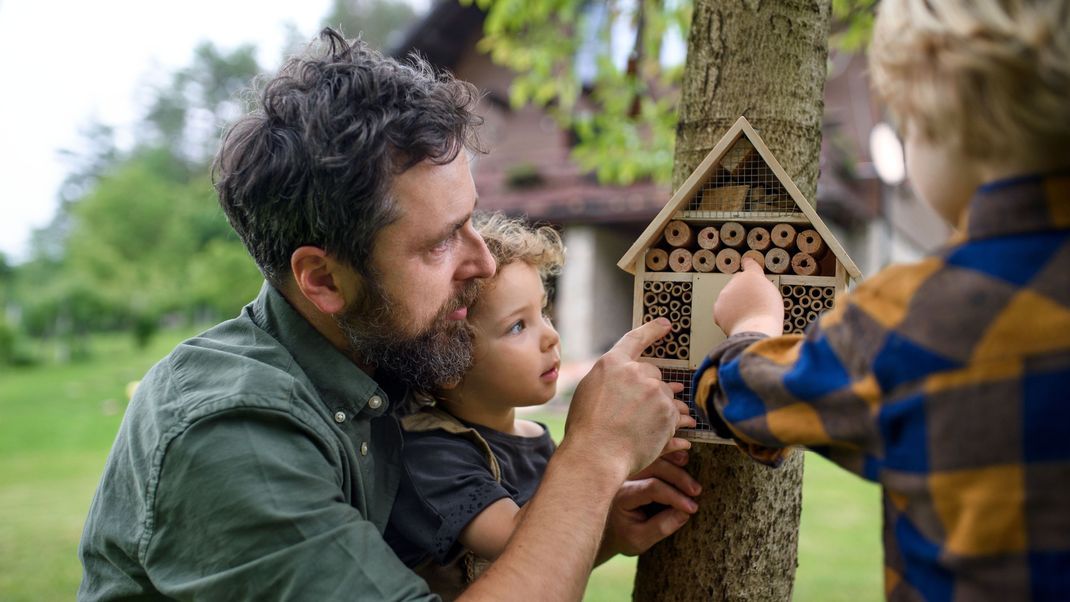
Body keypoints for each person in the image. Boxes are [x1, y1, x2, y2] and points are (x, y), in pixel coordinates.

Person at [77, 28, 701, 601]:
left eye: (471, 221)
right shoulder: (230, 435)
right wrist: (591, 459)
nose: (482, 264)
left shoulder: (388, 355)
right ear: (323, 280)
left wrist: (598, 529)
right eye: (440, 242)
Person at [693, 1, 1070, 600]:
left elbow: (741, 396)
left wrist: (752, 324)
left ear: (943, 121)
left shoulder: (912, 316)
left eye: (906, 127)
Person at [385, 213, 688, 599]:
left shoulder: (533, 438)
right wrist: (605, 449)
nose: (550, 336)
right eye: (517, 326)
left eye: (543, 311)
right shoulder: (431, 455)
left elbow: (554, 557)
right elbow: (519, 542)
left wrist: (616, 525)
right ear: (449, 366)